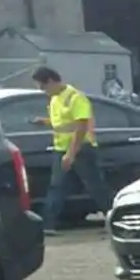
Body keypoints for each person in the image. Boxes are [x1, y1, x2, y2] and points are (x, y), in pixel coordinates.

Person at [33, 66, 113, 233]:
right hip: (61, 148)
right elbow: (62, 123)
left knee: (95, 186)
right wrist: (45, 122)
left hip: (81, 149)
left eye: (42, 86)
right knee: (57, 186)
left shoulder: (75, 98)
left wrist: (71, 154)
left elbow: (81, 127)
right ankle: (47, 225)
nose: (42, 90)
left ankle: (114, 218)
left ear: (51, 81)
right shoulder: (55, 98)